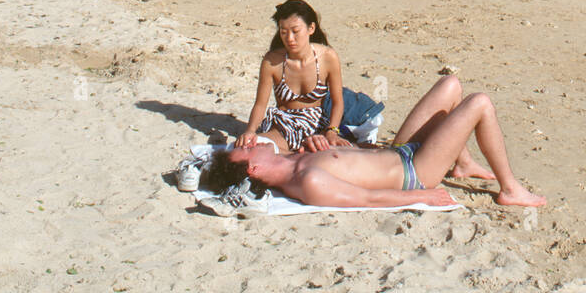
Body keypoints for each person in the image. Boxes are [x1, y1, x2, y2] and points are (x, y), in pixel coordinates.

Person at [206, 74, 544, 210]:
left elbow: (355, 161)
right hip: (415, 170)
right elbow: (367, 198)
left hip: (396, 152)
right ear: (252, 167)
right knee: (479, 103)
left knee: (451, 85)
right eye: (245, 149)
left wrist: (335, 144)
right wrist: (426, 196)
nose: (250, 142)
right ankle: (511, 189)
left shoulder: (296, 155)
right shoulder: (307, 181)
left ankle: (463, 162)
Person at [237, 0, 345, 153]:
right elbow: (260, 104)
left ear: (311, 28)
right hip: (283, 125)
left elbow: (338, 102)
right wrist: (250, 131)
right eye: (283, 32)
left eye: (295, 31)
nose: (289, 38)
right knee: (252, 150)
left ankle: (294, 155)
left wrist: (332, 131)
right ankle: (293, 155)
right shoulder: (272, 61)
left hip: (318, 125)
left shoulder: (328, 57)